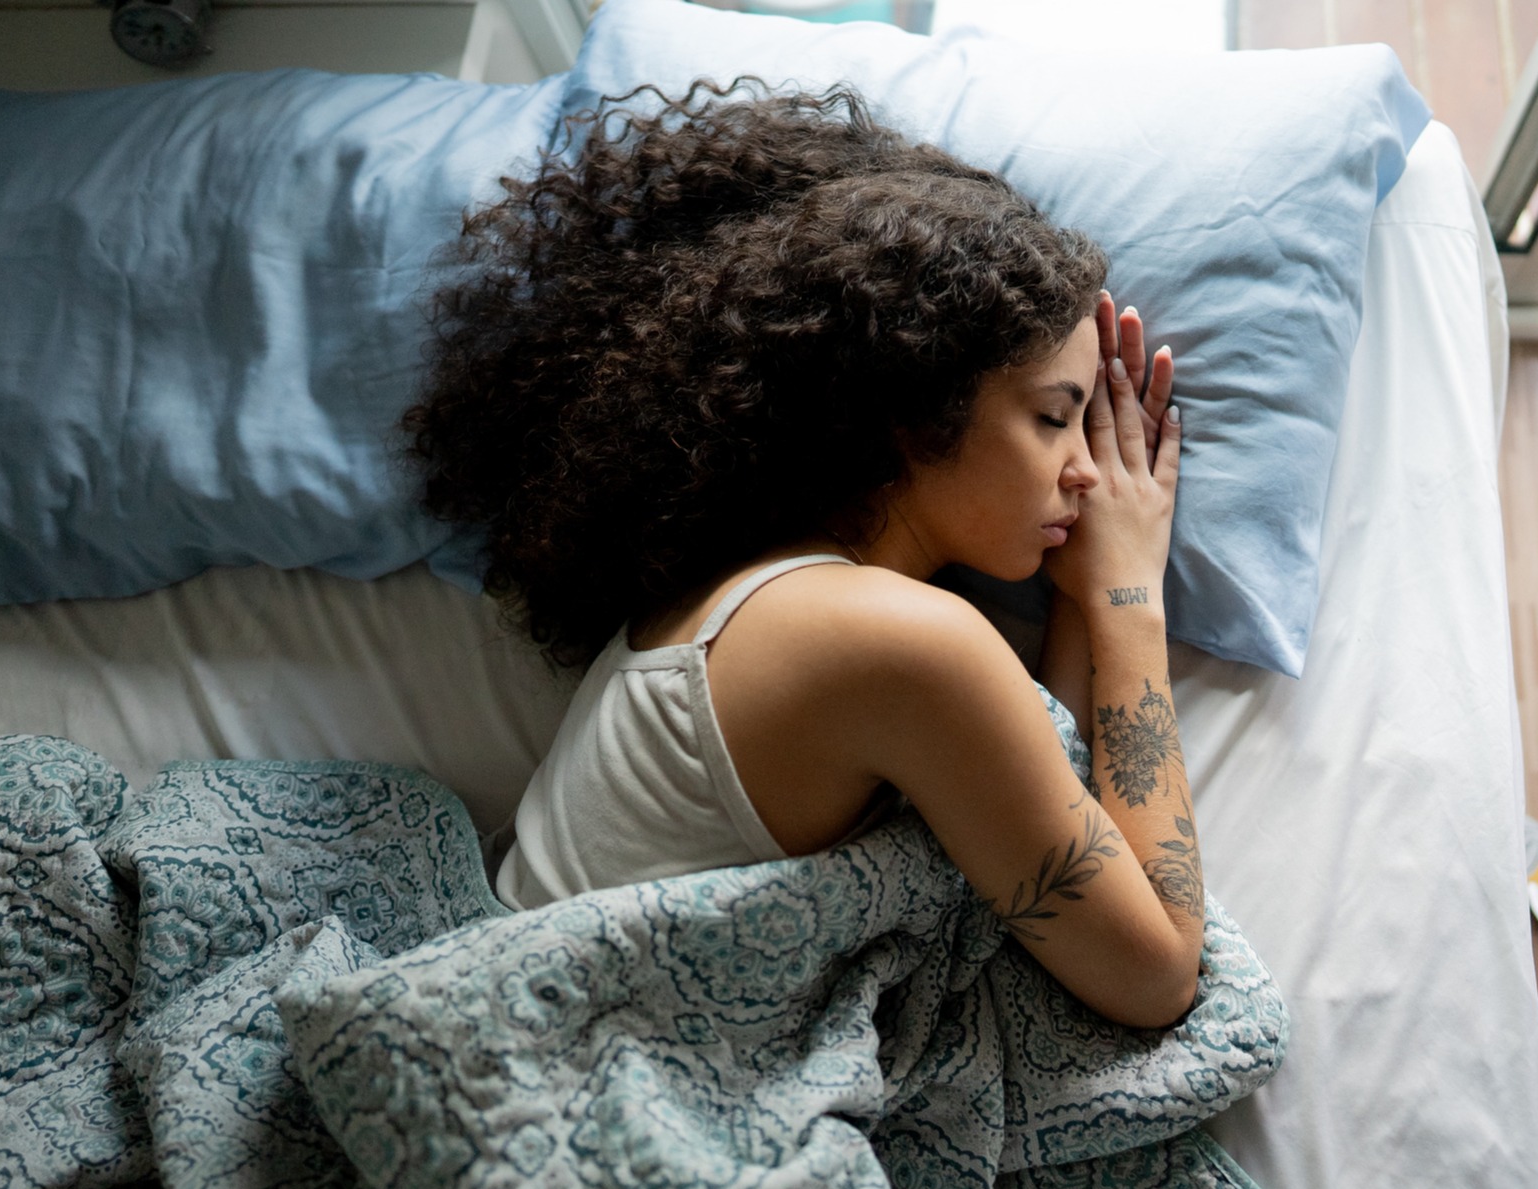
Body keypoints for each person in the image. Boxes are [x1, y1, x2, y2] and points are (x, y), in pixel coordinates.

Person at [404, 80, 1200, 1030]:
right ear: (913, 412)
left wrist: (1080, 594)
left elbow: (1045, 805)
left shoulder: (751, 580)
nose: (1085, 469)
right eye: (1052, 417)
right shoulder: (888, 635)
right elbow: (1155, 974)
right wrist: (1126, 598)